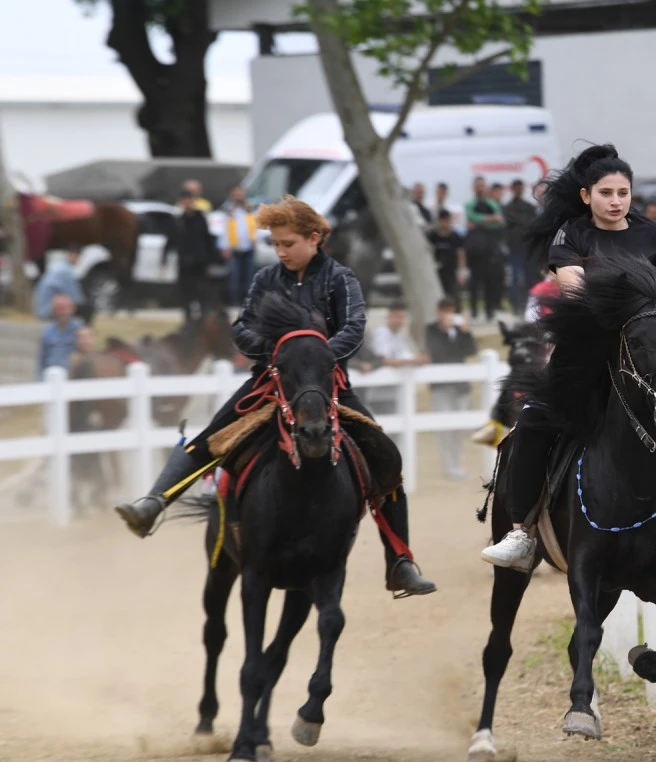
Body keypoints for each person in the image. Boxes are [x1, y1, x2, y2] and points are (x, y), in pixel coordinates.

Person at [113, 195, 436, 598]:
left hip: (327, 385)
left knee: (385, 457)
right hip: (268, 383)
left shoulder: (341, 279)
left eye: (288, 243)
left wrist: (314, 358)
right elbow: (241, 328)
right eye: (276, 244)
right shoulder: (266, 279)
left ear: (314, 238)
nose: (280, 252)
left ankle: (400, 562)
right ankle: (155, 502)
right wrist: (280, 356)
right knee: (209, 437)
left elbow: (353, 329)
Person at [480, 144, 656, 587]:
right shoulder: (571, 235)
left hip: (643, 364)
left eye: (623, 192)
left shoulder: (654, 236)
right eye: (606, 192)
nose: (616, 200)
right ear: (587, 196)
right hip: (584, 359)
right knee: (529, 426)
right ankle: (521, 533)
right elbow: (574, 289)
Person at [425, 298, 478, 479]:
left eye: (451, 311)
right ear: (439, 312)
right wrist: (447, 331)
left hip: (460, 386)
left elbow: (471, 350)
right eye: (445, 311)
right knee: (444, 428)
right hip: (441, 386)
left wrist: (465, 332)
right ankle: (448, 465)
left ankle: (455, 463)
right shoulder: (431, 330)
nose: (448, 314)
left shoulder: (460, 331)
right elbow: (437, 352)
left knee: (459, 428)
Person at [165, 189, 218, 321]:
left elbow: (207, 240)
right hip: (184, 261)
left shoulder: (201, 219)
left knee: (202, 290)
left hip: (200, 261)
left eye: (190, 199)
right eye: (185, 199)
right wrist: (164, 259)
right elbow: (170, 240)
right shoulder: (178, 221)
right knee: (185, 291)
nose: (188, 202)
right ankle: (188, 319)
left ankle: (203, 318)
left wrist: (211, 261)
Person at [463, 176, 507, 320]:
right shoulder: (469, 203)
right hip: (475, 249)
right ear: (473, 187)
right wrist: (489, 219)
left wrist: (480, 222)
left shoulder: (491, 203)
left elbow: (499, 221)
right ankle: (474, 309)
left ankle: (489, 310)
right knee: (475, 281)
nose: (480, 188)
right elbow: (471, 217)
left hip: (490, 248)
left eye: (482, 185)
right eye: (478, 185)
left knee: (490, 280)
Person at [503, 178, 538, 314]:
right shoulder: (507, 208)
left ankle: (527, 305)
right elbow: (508, 226)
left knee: (529, 277)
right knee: (516, 278)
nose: (518, 190)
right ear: (513, 189)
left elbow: (533, 225)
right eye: (516, 187)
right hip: (514, 249)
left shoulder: (529, 207)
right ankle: (515, 305)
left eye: (520, 187)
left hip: (528, 248)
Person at [219, 185, 257, 308]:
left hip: (248, 247)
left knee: (249, 278)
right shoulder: (227, 211)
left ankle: (247, 303)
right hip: (233, 248)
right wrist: (224, 247)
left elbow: (256, 226)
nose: (239, 196)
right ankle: (234, 303)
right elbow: (222, 230)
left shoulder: (250, 209)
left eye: (241, 193)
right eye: (236, 193)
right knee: (234, 278)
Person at [35, 245, 88, 323]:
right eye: (77, 257)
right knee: (85, 309)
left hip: (41, 307)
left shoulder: (58, 267)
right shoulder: (65, 271)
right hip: (48, 309)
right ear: (72, 255)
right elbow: (75, 295)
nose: (78, 260)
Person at [428, 209, 467, 303]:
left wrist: (462, 271)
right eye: (444, 220)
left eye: (448, 220)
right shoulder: (433, 236)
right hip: (437, 270)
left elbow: (461, 254)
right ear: (439, 221)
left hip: (452, 271)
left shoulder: (456, 236)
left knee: (453, 296)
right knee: (437, 297)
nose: (446, 223)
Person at [38, 293, 83, 376]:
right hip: (50, 377)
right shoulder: (47, 333)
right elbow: (42, 361)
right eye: (57, 309)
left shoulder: (81, 330)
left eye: (63, 308)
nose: (60, 312)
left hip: (72, 379)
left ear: (72, 309)